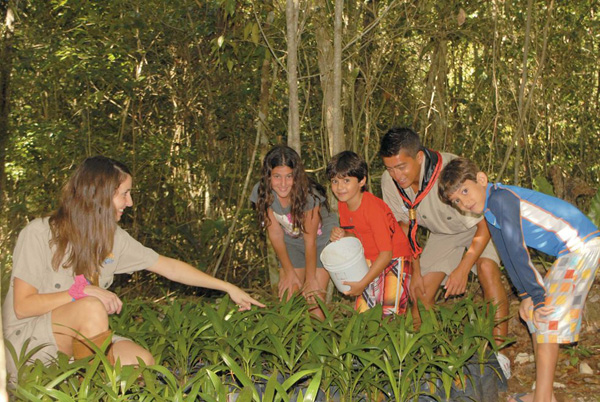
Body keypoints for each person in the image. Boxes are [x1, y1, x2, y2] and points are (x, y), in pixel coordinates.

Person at [2, 156, 264, 381]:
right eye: (124, 194)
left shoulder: (113, 238)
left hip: (78, 342)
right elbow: (23, 306)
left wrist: (227, 287)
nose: (130, 203)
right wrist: (82, 291)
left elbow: (168, 267)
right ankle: (89, 387)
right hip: (27, 344)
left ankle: (86, 378)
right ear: (100, 195)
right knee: (91, 305)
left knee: (140, 361)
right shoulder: (39, 233)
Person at [438, 157, 600, 402]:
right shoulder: (491, 212)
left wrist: (537, 296)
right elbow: (505, 253)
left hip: (582, 245)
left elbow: (517, 250)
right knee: (537, 317)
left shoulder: (502, 198)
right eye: (457, 200)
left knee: (545, 317)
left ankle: (543, 398)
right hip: (571, 250)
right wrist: (526, 296)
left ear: (481, 179)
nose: (464, 202)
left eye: (465, 191)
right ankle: (543, 393)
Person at [379, 128, 510, 373]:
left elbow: (483, 223)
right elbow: (404, 227)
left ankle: (499, 356)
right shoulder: (390, 182)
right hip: (443, 234)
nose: (396, 175)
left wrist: (462, 268)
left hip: (479, 227)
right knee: (419, 293)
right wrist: (415, 269)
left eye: (401, 167)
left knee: (486, 268)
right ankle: (429, 356)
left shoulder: (449, 170)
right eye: (390, 168)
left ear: (418, 157)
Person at [250, 145, 335, 319]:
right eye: (277, 177)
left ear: (296, 176)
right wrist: (289, 272)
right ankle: (290, 345)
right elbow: (275, 234)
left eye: (289, 176)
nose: (283, 183)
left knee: (315, 303)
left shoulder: (309, 195)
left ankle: (322, 343)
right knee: (287, 298)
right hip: (292, 241)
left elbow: (310, 240)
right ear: (268, 176)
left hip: (320, 241)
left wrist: (310, 279)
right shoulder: (262, 193)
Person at [326, 151, 412, 316]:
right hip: (370, 259)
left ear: (362, 180)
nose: (339, 187)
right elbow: (356, 235)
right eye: (334, 181)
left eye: (346, 181)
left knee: (390, 313)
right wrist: (342, 234)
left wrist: (363, 283)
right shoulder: (343, 204)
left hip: (395, 257)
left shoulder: (372, 209)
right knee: (364, 314)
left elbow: (387, 254)